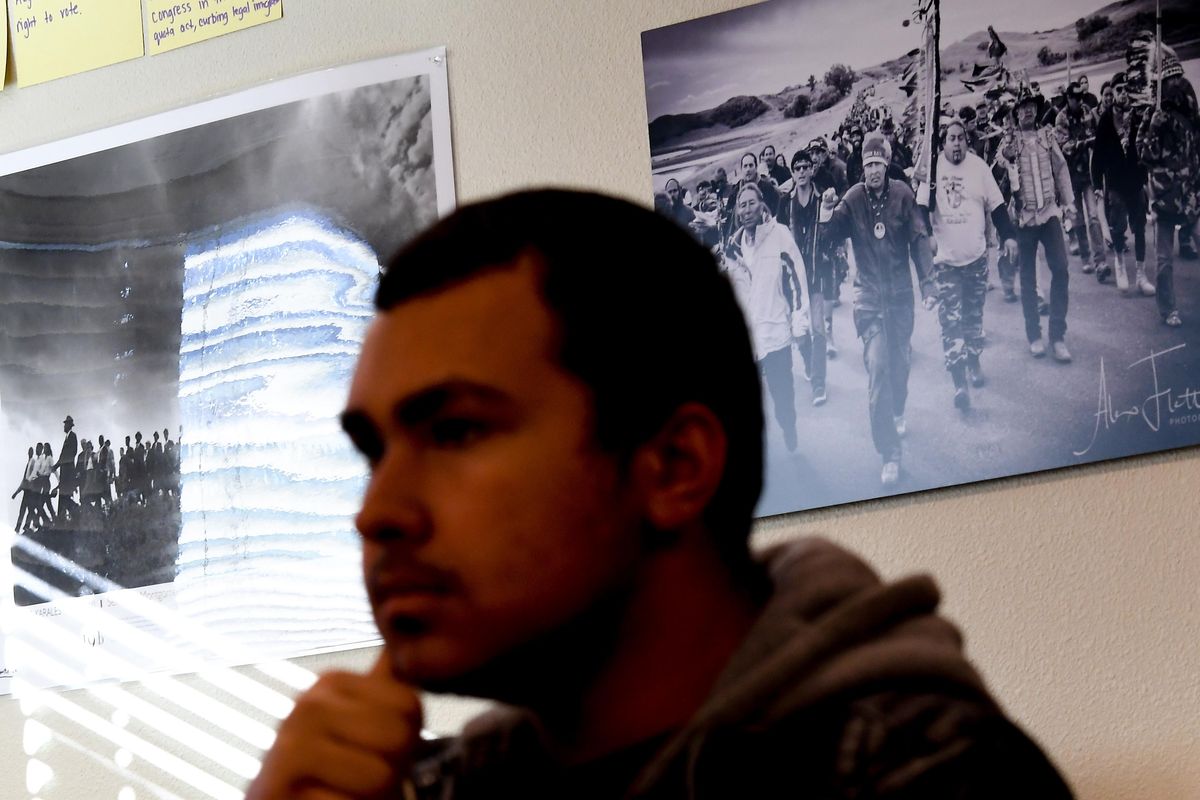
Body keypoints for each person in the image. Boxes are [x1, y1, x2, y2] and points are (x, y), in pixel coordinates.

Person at [245, 189, 1073, 800]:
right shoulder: (426, 789)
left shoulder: (924, 777)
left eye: (456, 432)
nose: (377, 512)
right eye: (374, 450)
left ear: (674, 467)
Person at [818, 132, 935, 487]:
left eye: (878, 164)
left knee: (899, 368)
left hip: (900, 297)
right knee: (879, 370)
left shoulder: (902, 194)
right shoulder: (852, 199)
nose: (872, 171)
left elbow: (919, 238)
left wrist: (928, 283)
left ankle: (898, 409)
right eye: (867, 165)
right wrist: (825, 213)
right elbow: (829, 238)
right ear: (861, 168)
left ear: (886, 164)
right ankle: (890, 454)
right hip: (868, 298)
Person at [923, 119, 1019, 411]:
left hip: (976, 259)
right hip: (946, 263)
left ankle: (974, 362)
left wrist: (1009, 236)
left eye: (961, 138)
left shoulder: (978, 168)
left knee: (973, 317)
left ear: (967, 141)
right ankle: (959, 382)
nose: (956, 143)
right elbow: (919, 208)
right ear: (943, 143)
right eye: (951, 138)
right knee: (950, 323)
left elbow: (998, 205)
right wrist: (926, 236)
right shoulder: (931, 169)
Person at [723, 182, 809, 450]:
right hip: (748, 337)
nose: (746, 209)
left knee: (783, 398)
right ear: (737, 211)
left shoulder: (780, 235)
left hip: (776, 334)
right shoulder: (733, 246)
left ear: (762, 206)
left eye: (751, 203)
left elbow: (796, 279)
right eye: (742, 204)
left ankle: (789, 427)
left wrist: (799, 321)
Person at [997, 88, 1078, 362]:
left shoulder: (1047, 136)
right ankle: (1034, 335)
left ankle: (1057, 335)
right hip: (1023, 219)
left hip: (1049, 215)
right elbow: (1000, 174)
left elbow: (1061, 168)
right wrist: (1005, 156)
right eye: (1022, 107)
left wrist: (1069, 203)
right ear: (1015, 113)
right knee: (1028, 279)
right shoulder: (1009, 143)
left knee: (1062, 269)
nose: (1027, 110)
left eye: (1031, 105)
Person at [1138, 70, 1200, 327]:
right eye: (1170, 80)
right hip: (1164, 195)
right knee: (1164, 259)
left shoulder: (1190, 112)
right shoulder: (1151, 116)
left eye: (1177, 79)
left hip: (1190, 192)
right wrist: (1155, 125)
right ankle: (1168, 309)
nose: (1176, 84)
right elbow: (1143, 154)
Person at [777, 149, 835, 405]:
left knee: (818, 330)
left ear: (812, 170)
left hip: (818, 273)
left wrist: (829, 252)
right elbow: (777, 236)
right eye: (796, 167)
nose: (801, 171)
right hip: (793, 279)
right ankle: (811, 365)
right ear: (792, 173)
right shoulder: (784, 203)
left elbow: (833, 230)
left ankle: (819, 384)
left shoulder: (824, 199)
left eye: (805, 167)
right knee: (800, 334)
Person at [1090, 73, 1154, 296]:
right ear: (1113, 93)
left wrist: (1147, 178)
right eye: (1119, 89)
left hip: (1135, 181)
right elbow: (1097, 156)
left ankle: (1141, 275)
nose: (1123, 93)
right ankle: (1119, 264)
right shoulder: (1106, 120)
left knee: (1139, 228)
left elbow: (1147, 144)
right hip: (1115, 184)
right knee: (1118, 228)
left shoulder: (1138, 115)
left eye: (1126, 88)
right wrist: (1097, 184)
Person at [1055, 83, 1107, 278]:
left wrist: (1091, 141)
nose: (1079, 101)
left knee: (1094, 215)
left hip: (1088, 171)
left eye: (1081, 97)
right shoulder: (1061, 118)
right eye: (1075, 97)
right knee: (1077, 217)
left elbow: (1096, 133)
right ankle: (1086, 257)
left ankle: (1100, 261)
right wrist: (1086, 142)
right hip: (1070, 175)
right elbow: (1065, 146)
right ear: (1068, 98)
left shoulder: (1087, 112)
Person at [54, 414, 79, 522]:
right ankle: (61, 518)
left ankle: (76, 512)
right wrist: (56, 466)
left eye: (65, 424)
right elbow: (62, 455)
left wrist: (58, 464)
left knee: (66, 495)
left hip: (68, 472)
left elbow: (72, 453)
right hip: (65, 471)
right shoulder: (67, 437)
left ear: (69, 425)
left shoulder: (72, 436)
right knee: (64, 495)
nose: (64, 426)